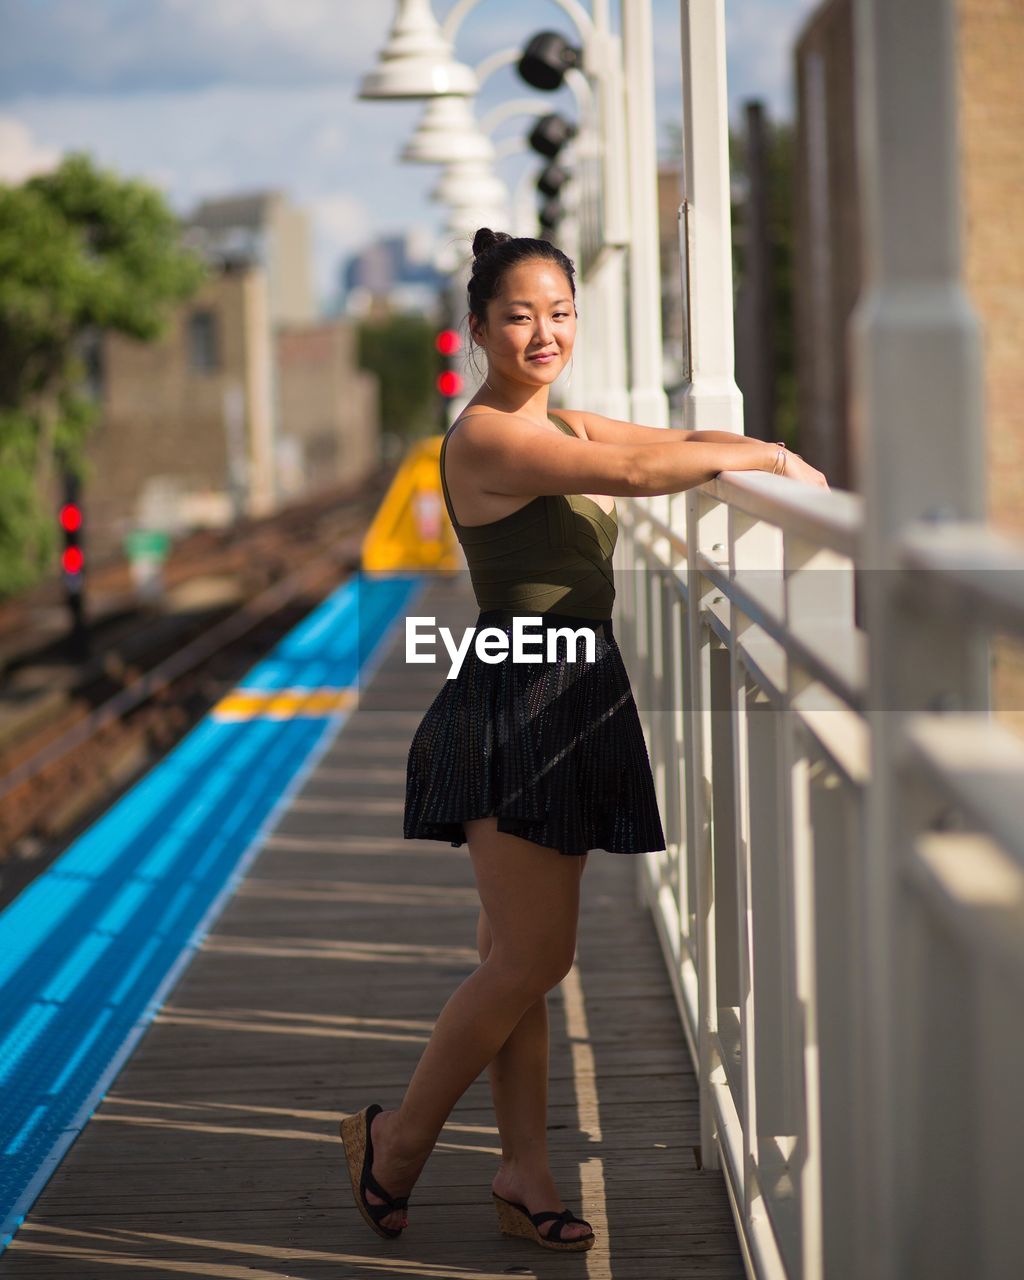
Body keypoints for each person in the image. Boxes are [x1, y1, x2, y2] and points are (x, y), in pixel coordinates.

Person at [340, 228, 830, 1254]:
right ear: (476, 329)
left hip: (570, 696)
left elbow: (643, 441)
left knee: (514, 956)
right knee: (532, 953)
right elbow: (646, 473)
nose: (542, 330)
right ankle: (395, 1138)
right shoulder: (486, 437)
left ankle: (524, 1169)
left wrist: (733, 453)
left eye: (559, 312)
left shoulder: (551, 419)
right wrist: (774, 453)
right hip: (514, 704)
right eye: (517, 314)